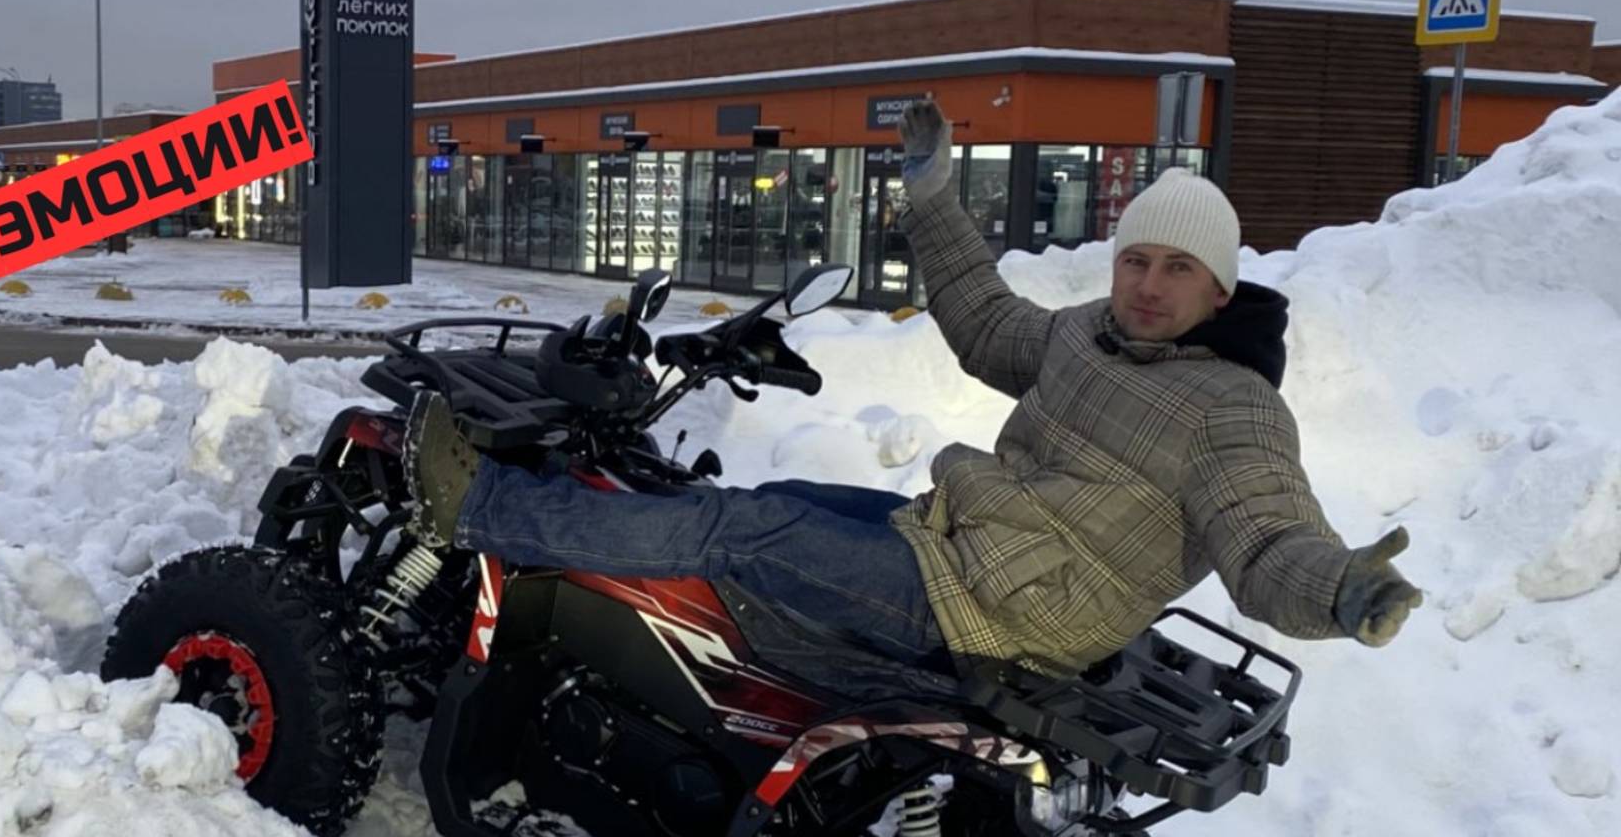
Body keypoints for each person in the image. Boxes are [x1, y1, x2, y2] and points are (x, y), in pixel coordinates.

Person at [401, 100, 1423, 679]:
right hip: (967, 547)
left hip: (1011, 610)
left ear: (1221, 290)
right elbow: (986, 324)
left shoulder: (1234, 409)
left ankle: (479, 507)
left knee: (728, 529)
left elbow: (1265, 536)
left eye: (1178, 270)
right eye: (1137, 260)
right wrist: (933, 197)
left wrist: (1340, 588)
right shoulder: (1091, 335)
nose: (1150, 285)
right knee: (769, 501)